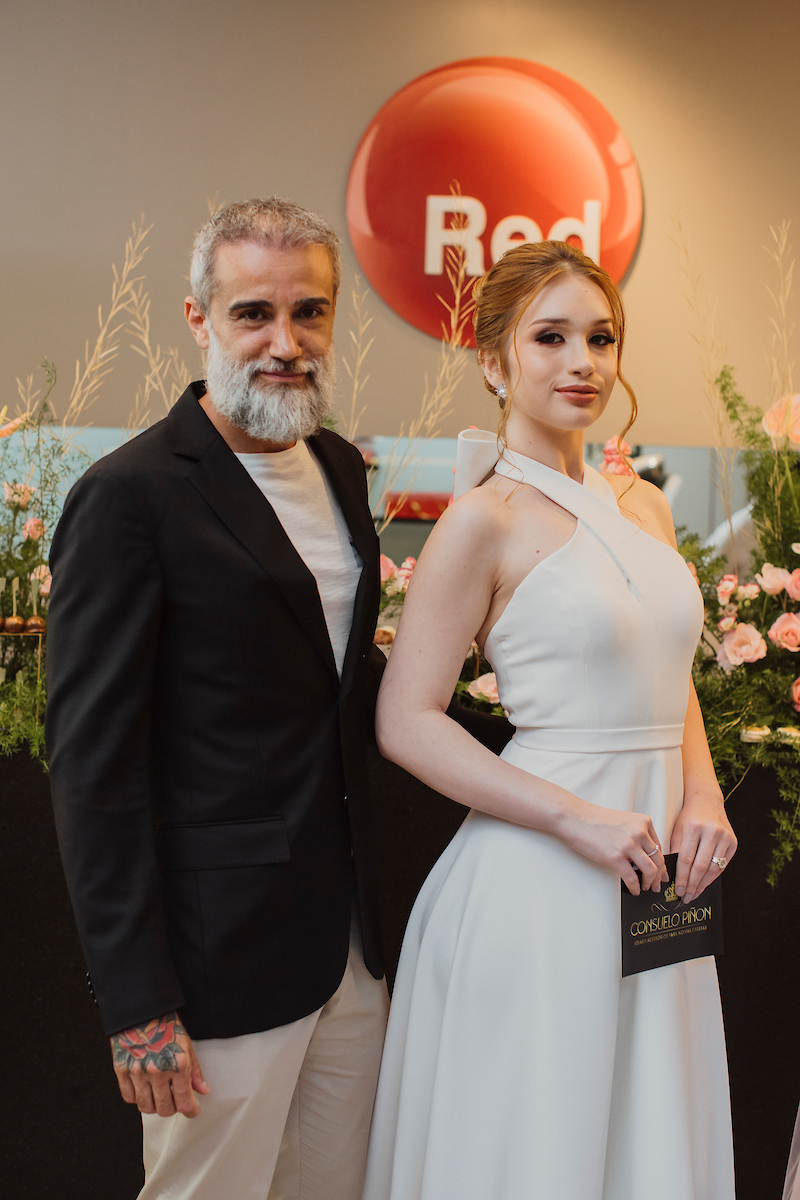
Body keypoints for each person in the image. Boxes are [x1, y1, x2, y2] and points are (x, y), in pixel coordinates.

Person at [361, 240, 737, 1200]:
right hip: (539, 880)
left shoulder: (644, 504)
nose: (583, 362)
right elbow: (406, 720)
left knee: (645, 1127)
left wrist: (702, 791)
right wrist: (576, 817)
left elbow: (670, 673)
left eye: (601, 338)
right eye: (551, 337)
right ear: (494, 361)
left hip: (663, 880)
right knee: (537, 1140)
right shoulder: (481, 520)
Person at [46, 197, 390, 1200]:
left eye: (310, 313)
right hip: (216, 963)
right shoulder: (130, 497)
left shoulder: (336, 466)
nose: (286, 344)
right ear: (199, 321)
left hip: (353, 951)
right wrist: (138, 1003)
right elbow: (92, 769)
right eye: (253, 314)